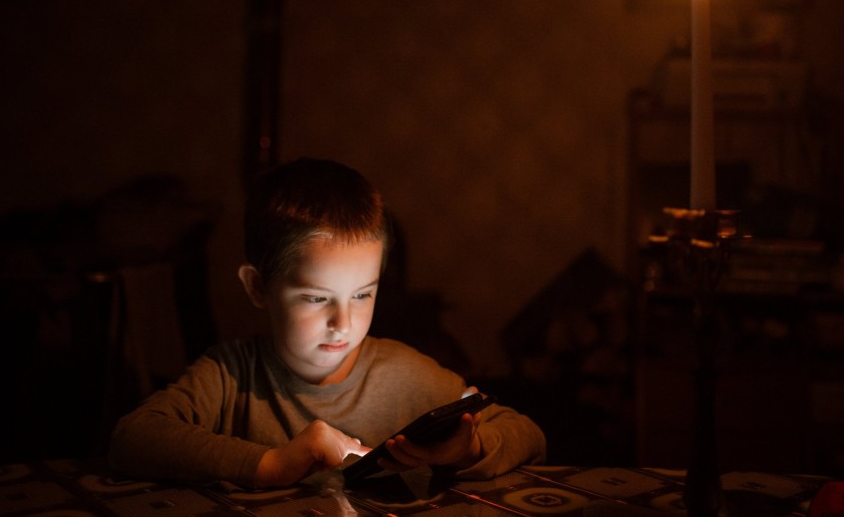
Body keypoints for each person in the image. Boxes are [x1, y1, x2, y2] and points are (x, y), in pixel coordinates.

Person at [108, 158, 546, 488]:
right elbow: (132, 438)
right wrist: (272, 464)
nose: (343, 322)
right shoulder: (229, 376)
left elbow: (529, 434)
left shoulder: (407, 375)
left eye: (362, 295)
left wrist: (471, 449)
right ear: (258, 286)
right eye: (317, 298)